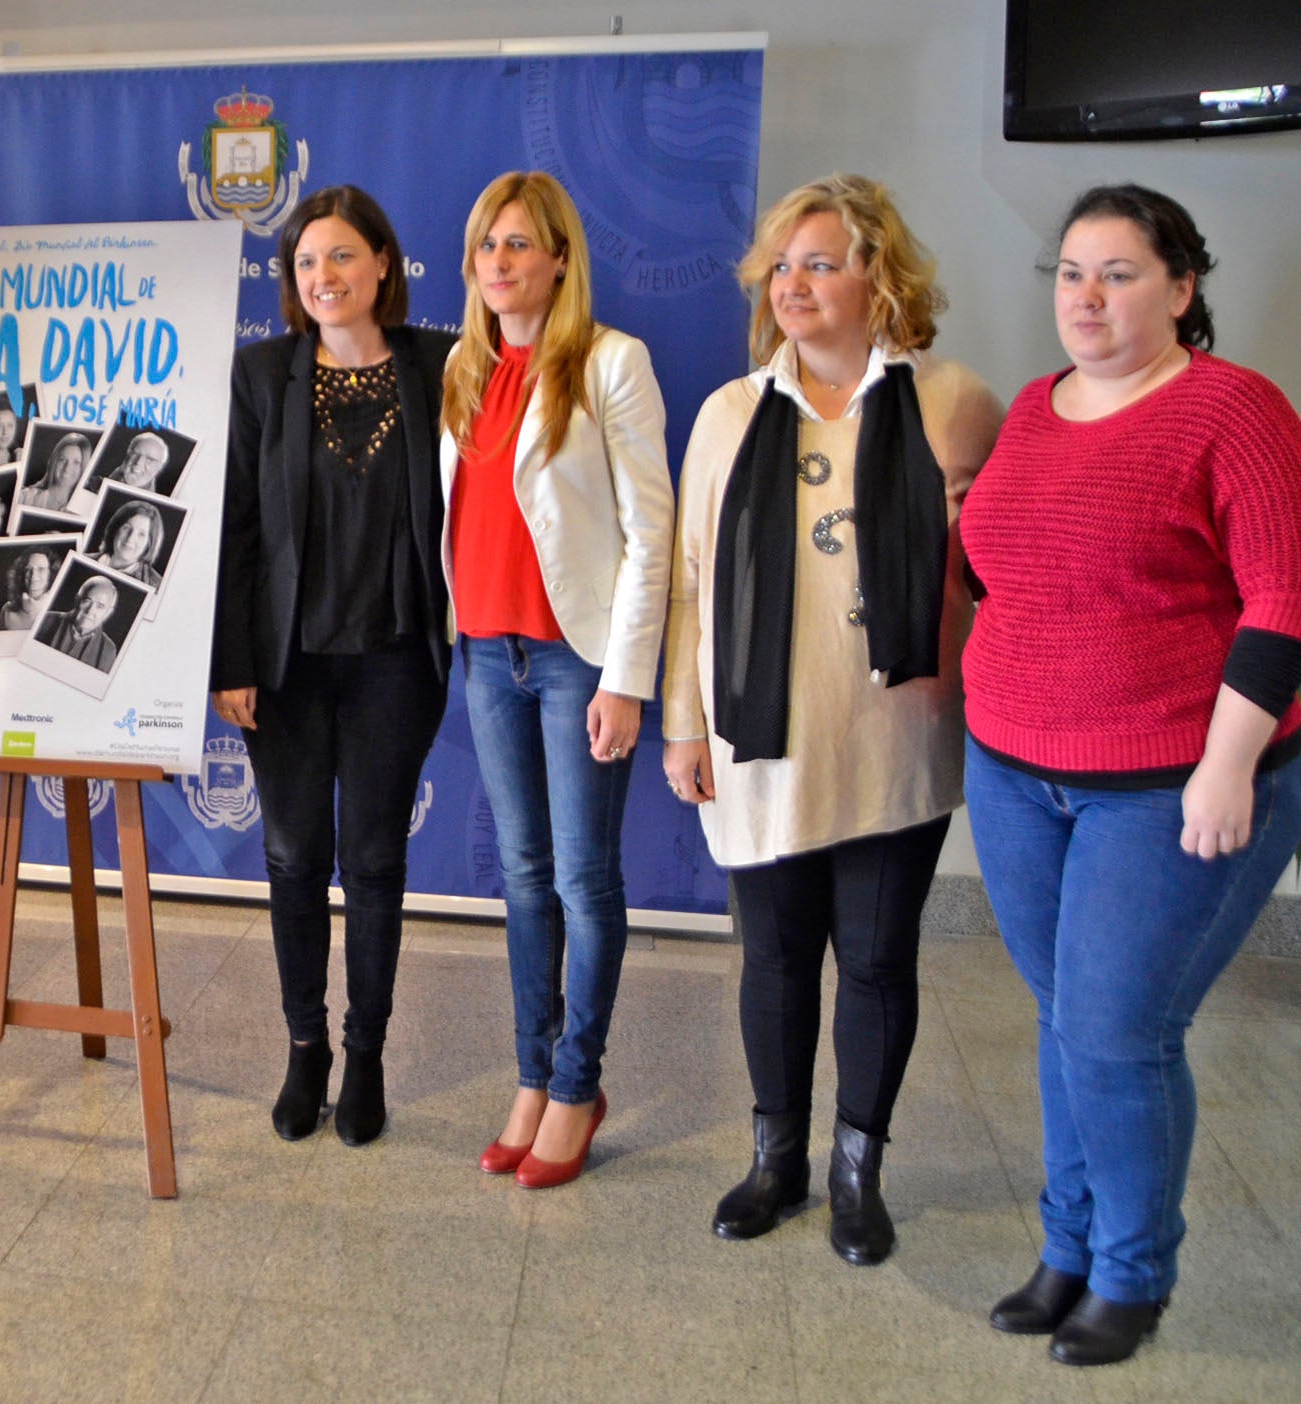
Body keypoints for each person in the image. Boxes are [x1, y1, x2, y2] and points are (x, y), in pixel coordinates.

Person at [959, 185, 1301, 1366]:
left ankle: (1130, 1272)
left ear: (1180, 287)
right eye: (1068, 273)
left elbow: (1282, 598)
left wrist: (1226, 765)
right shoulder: (1035, 412)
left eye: (1116, 273)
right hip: (1012, 770)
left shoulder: (1234, 410)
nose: (1086, 297)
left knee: (1115, 1034)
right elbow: (1016, 563)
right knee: (1065, 1022)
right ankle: (1066, 1248)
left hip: (1168, 783)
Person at [662, 174, 1002, 1259]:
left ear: (878, 276)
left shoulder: (955, 402)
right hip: (758, 743)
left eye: (819, 261)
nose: (791, 283)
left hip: (893, 744)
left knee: (872, 961)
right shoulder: (727, 413)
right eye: (781, 263)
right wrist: (681, 722)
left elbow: (1003, 571)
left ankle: (858, 1172)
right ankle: (776, 1161)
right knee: (769, 963)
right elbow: (688, 580)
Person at [441, 171, 674, 1189]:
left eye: (518, 245)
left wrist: (623, 679)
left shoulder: (609, 363)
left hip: (576, 659)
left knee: (583, 880)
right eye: (486, 246)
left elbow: (649, 532)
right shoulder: (462, 365)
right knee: (524, 881)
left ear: (558, 259)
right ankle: (530, 1078)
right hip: (488, 655)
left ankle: (576, 1083)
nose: (499, 263)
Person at [210, 185, 455, 1147]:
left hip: (398, 661)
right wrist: (230, 661)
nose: (324, 278)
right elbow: (234, 527)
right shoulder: (262, 375)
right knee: (292, 859)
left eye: (343, 257)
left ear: (384, 265)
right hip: (288, 668)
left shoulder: (442, 366)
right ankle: (304, 1047)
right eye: (307, 263)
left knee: (377, 863)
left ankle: (367, 1054)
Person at [36, 577, 122, 670]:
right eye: (87, 601)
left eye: (100, 606)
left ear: (108, 612)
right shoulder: (45, 620)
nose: (90, 611)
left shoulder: (108, 650)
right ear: (77, 599)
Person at [96, 500, 165, 587]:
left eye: (141, 534)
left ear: (149, 543)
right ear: (115, 529)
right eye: (127, 528)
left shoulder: (157, 586)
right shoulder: (83, 557)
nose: (131, 538)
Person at [20, 432, 89, 510]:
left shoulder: (85, 509)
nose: (67, 468)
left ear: (83, 469)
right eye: (62, 460)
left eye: (76, 462)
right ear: (53, 462)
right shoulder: (25, 497)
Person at [0, 549, 55, 630]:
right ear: (21, 574)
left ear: (51, 574)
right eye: (28, 569)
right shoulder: (7, 609)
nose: (33, 575)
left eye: (41, 569)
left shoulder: (57, 610)